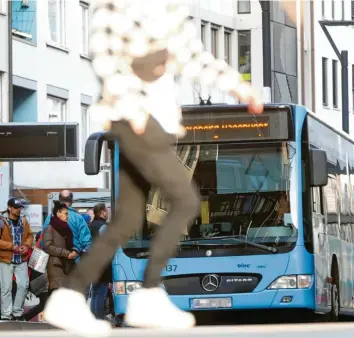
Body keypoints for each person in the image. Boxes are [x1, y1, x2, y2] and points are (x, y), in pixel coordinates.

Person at [43, 1, 264, 336]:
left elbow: (192, 56)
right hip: (137, 120)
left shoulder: (169, 10)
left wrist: (238, 86)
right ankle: (148, 293)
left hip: (153, 121)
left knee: (126, 222)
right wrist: (130, 104)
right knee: (186, 200)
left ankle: (70, 297)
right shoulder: (119, 6)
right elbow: (104, 58)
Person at [0, 198, 34, 321]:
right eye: (16, 207)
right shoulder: (1, 220)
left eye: (20, 207)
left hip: (21, 258)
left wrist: (26, 246)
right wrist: (11, 246)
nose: (19, 209)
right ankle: (6, 314)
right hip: (5, 258)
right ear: (9, 207)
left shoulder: (24, 220)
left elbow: (30, 235)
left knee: (23, 285)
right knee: (6, 288)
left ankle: (17, 312)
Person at [42, 201, 79, 297]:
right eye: (66, 214)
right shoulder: (50, 228)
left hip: (68, 266)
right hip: (55, 266)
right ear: (58, 213)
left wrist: (75, 250)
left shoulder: (67, 228)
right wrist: (66, 253)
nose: (68, 216)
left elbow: (71, 244)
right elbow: (47, 247)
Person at [43, 190, 92, 259]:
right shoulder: (78, 218)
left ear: (59, 200)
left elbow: (43, 240)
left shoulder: (50, 217)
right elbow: (86, 241)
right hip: (74, 260)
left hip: (55, 261)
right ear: (71, 201)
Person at [88, 204, 111, 319]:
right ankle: (99, 318)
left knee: (95, 292)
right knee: (101, 291)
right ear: (102, 212)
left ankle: (94, 317)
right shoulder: (104, 227)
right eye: (106, 211)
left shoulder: (90, 226)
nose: (107, 213)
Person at [23, 232, 49, 322]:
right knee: (44, 302)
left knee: (44, 303)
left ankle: (25, 317)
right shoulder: (38, 252)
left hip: (38, 280)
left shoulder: (35, 251)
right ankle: (25, 317)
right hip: (40, 280)